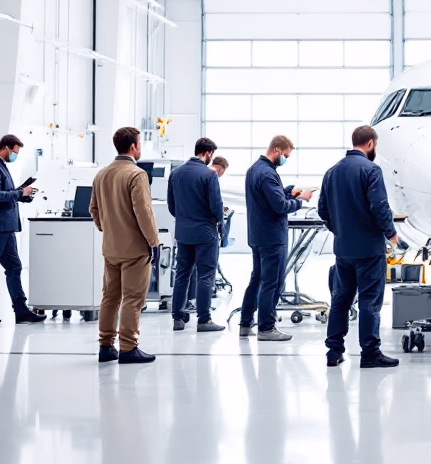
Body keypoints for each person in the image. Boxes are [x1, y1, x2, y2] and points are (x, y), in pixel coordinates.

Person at [320, 125, 399, 369]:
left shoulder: (332, 172)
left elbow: (322, 210)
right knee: (369, 302)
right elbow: (379, 206)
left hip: (343, 250)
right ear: (371, 144)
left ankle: (334, 351)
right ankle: (370, 353)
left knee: (340, 300)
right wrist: (391, 233)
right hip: (369, 250)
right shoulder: (371, 170)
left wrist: (339, 230)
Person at [90, 127, 160, 364]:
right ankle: (128, 347)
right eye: (140, 144)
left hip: (110, 248)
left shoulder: (101, 174)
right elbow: (144, 212)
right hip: (135, 250)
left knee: (110, 297)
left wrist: (107, 229)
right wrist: (153, 242)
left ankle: (105, 346)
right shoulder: (137, 174)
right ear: (133, 146)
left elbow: (93, 209)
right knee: (132, 299)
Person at [239, 136, 313, 341]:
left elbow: (269, 198)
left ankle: (245, 323)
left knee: (256, 280)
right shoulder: (268, 174)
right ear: (277, 150)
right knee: (272, 283)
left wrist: (289, 192)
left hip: (258, 235)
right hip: (272, 237)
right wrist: (300, 201)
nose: (285, 159)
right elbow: (280, 206)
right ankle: (266, 328)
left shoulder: (254, 170)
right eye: (285, 155)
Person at [0, 134, 45, 325]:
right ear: (6, 148)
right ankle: (20, 311)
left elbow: (4, 193)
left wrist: (23, 194)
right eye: (15, 152)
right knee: (13, 267)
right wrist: (20, 192)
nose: (15, 155)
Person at [168, 137, 226, 333]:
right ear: (208, 153)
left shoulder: (175, 174)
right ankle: (203, 319)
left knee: (182, 274)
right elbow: (216, 206)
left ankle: (177, 318)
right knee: (205, 275)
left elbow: (171, 206)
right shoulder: (209, 175)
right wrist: (219, 221)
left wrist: (185, 219)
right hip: (205, 233)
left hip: (183, 232)